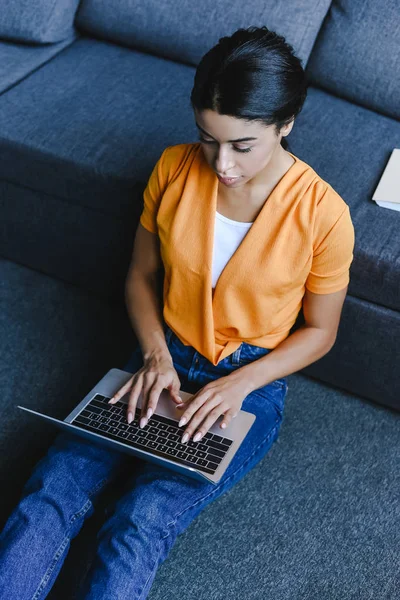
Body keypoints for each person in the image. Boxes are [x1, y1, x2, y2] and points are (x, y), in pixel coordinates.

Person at [0, 25, 355, 599]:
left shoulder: (325, 215)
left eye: (243, 145)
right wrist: (155, 354)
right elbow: (140, 277)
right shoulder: (172, 168)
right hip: (158, 353)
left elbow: (321, 332)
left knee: (141, 520)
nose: (222, 164)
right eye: (208, 139)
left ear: (285, 124)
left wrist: (238, 385)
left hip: (249, 381)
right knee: (52, 489)